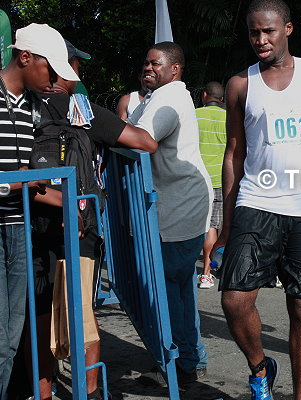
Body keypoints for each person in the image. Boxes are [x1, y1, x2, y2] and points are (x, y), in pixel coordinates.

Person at [214, 1, 301, 399]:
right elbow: (234, 154)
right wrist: (226, 223)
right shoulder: (240, 84)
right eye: (254, 32)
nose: (261, 40)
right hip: (256, 202)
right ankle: (260, 368)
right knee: (234, 300)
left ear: (287, 29)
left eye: (268, 31)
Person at [24, 39, 157, 400]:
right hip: (80, 224)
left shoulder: (23, 108)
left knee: (41, 312)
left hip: (33, 222)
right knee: (81, 310)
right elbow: (146, 143)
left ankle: (43, 391)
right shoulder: (81, 109)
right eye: (76, 67)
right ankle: (91, 391)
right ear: (64, 69)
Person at [0, 23, 80, 400]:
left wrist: (65, 201)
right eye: (50, 69)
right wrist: (17, 183)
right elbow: (21, 179)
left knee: (11, 334)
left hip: (18, 229)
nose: (53, 80)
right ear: (26, 57)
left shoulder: (33, 107)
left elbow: (32, 176)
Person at [128, 41, 213, 387]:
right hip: (180, 204)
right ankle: (189, 358)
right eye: (146, 62)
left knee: (170, 288)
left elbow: (142, 138)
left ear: (175, 69)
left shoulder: (169, 97)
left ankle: (182, 363)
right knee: (179, 287)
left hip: (180, 207)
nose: (148, 68)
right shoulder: (161, 96)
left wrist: (100, 125)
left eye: (155, 63)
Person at [196, 81, 226, 289]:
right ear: (222, 99)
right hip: (222, 180)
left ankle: (204, 274)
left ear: (205, 95)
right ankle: (212, 271)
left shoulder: (194, 116)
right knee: (218, 226)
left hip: (197, 179)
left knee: (205, 227)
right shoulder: (229, 118)